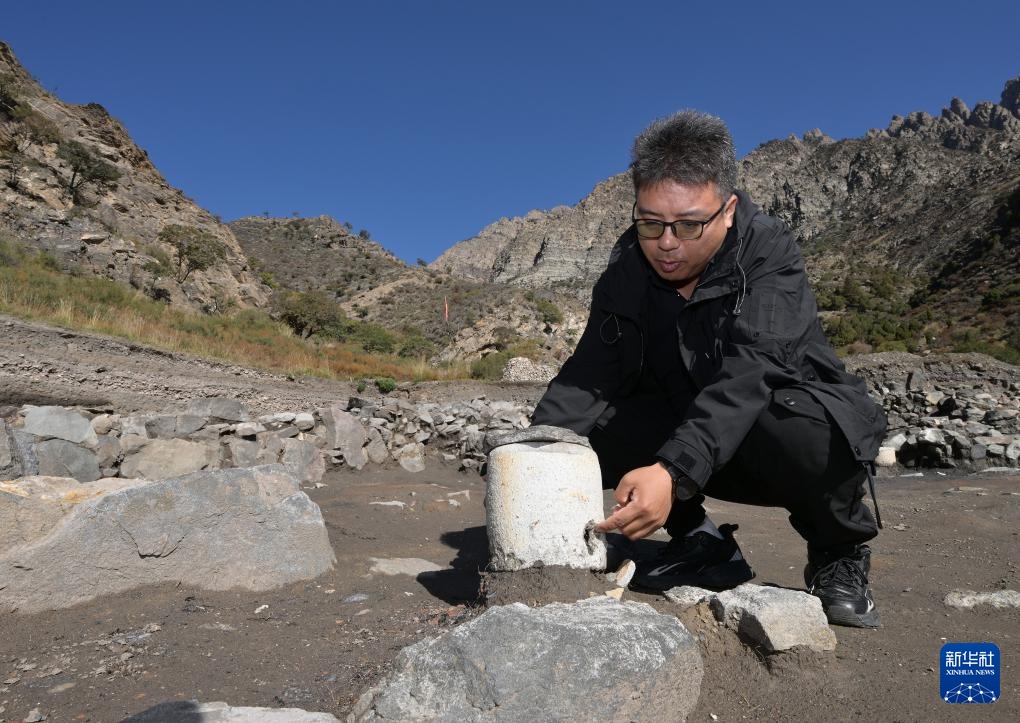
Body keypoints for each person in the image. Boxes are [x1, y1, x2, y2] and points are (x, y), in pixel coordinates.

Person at [530, 110, 886, 628]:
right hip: (691, 426)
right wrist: (534, 452)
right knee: (581, 435)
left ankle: (839, 551)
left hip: (769, 423)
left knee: (811, 429)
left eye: (688, 224)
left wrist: (669, 472)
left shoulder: (769, 252)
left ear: (728, 210)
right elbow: (590, 374)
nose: (667, 243)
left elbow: (751, 372)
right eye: (650, 223)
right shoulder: (625, 273)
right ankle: (701, 542)